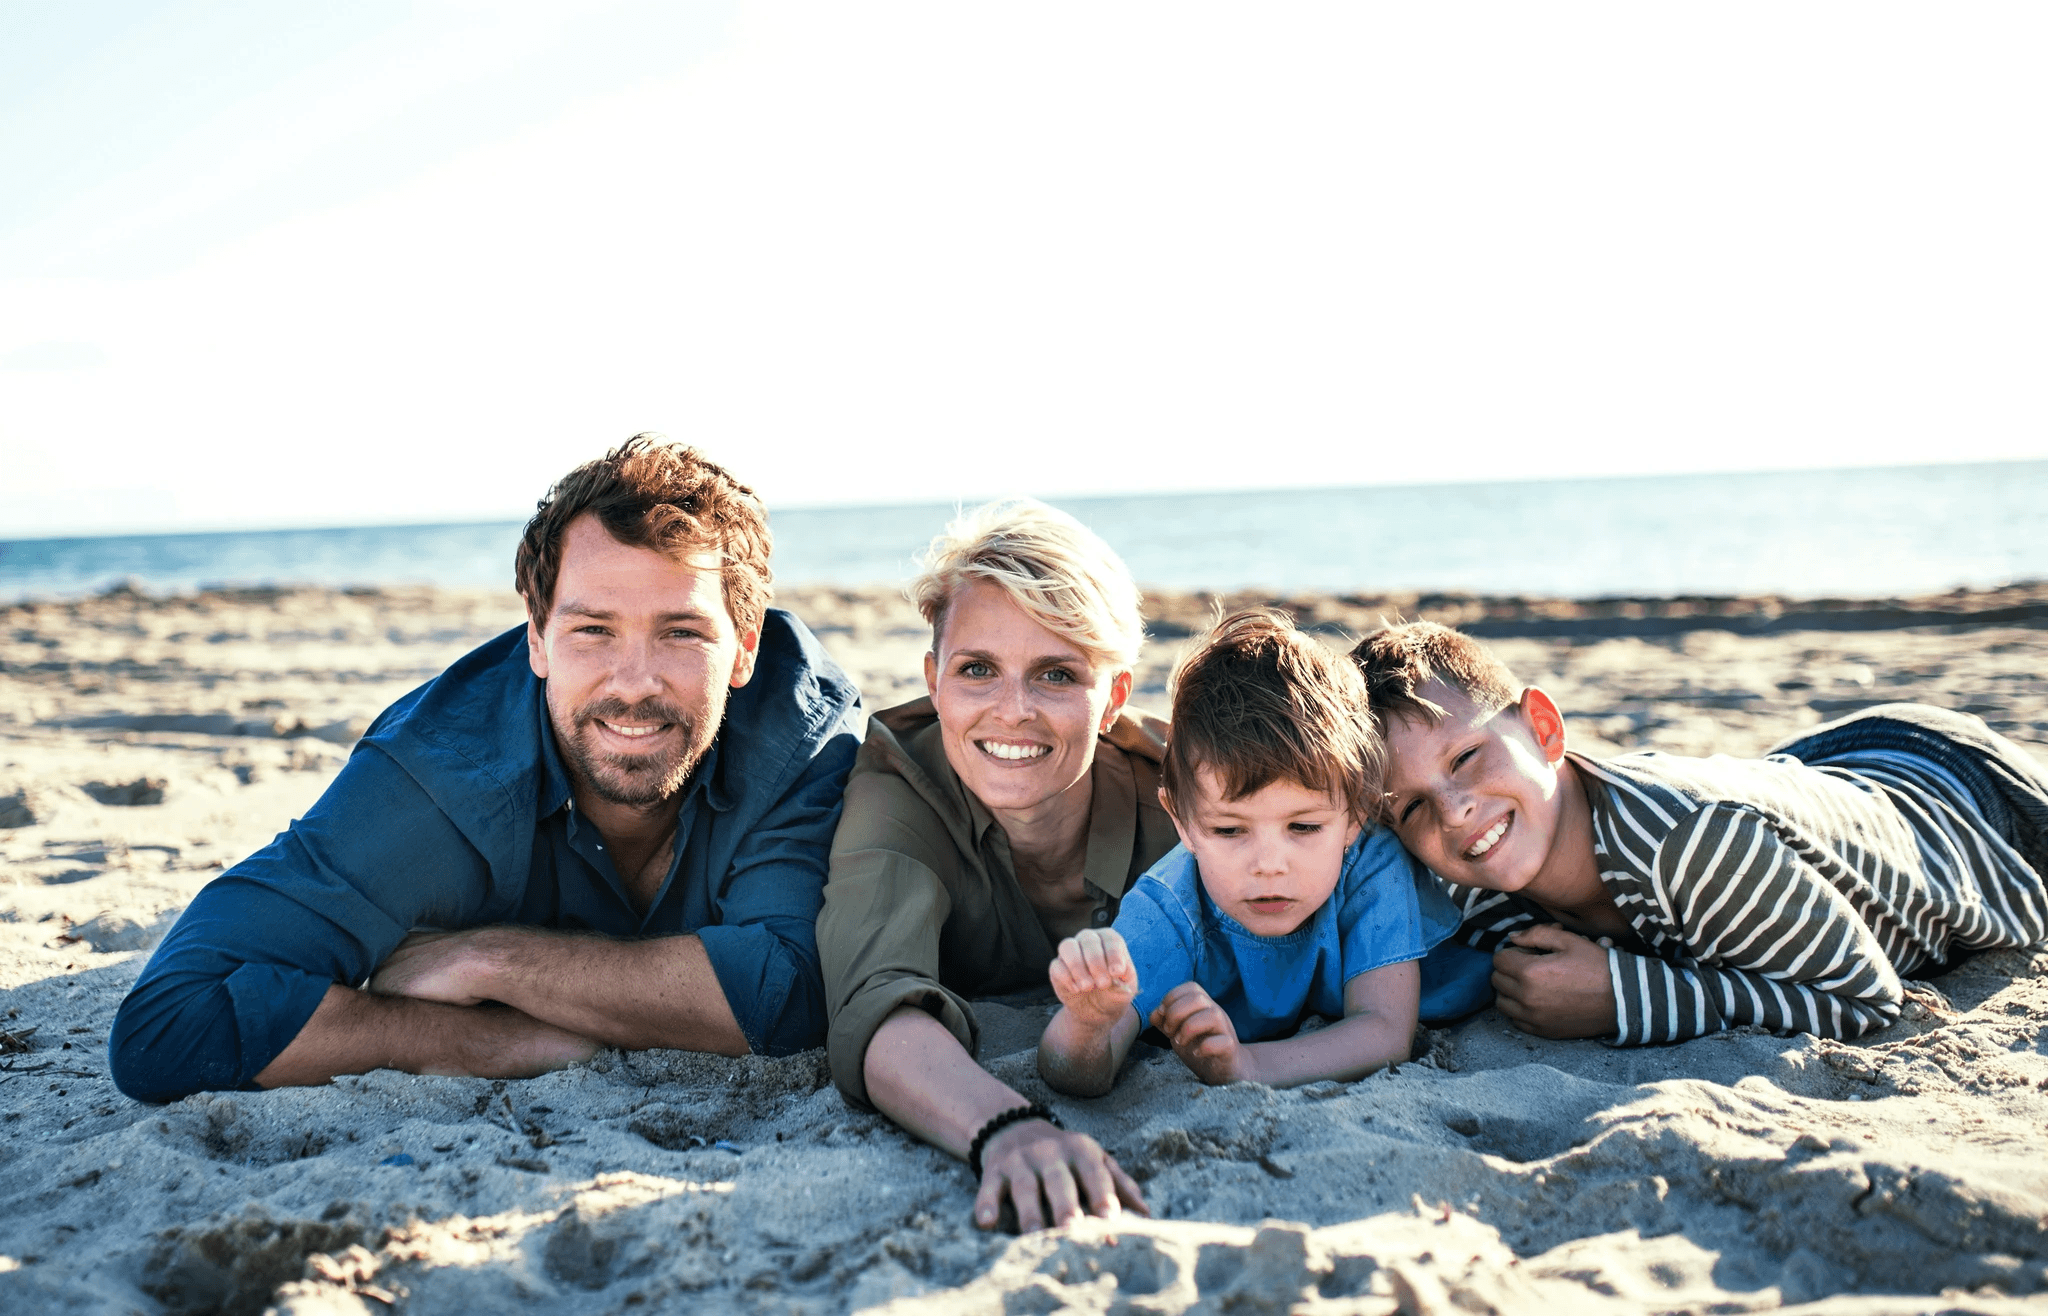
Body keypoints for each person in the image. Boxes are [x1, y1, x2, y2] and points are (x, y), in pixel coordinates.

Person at [109, 436, 862, 1102]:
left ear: (746, 648)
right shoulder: (440, 778)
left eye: (682, 633)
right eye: (592, 630)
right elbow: (169, 1023)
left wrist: (493, 963)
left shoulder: (803, 736)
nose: (634, 682)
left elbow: (793, 994)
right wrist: (469, 1043)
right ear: (536, 640)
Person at [1352, 621, 2048, 1044]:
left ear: (1544, 728)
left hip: (1964, 800)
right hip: (1809, 768)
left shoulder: (1696, 845)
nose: (1454, 811)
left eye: (1467, 757)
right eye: (1409, 807)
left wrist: (1625, 997)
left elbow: (1867, 998)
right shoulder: (1480, 886)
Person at [817, 499, 1176, 1233]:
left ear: (1111, 699)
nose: (1012, 711)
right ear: (935, 679)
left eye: (1054, 675)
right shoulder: (897, 782)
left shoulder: (1185, 793)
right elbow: (876, 1003)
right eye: (978, 669)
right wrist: (1007, 1128)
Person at [1038, 610, 1459, 1096]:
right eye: (1230, 830)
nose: (1269, 864)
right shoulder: (1170, 909)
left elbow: (1384, 1034)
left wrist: (1248, 1065)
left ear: (1357, 816)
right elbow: (1072, 1072)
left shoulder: (1371, 864)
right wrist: (1088, 1023)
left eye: (1302, 826)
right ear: (1182, 822)